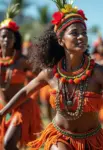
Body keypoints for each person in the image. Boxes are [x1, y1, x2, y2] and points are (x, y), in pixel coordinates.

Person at [0, 1, 103, 150]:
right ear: (61, 40)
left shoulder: (98, 73)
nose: (81, 37)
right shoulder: (50, 73)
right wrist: (3, 112)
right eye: (74, 33)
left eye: (84, 33)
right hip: (60, 136)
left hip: (92, 140)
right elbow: (25, 92)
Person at [0, 4, 42, 150]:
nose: (6, 40)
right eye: (3, 36)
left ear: (15, 40)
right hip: (2, 107)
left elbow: (43, 75)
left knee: (8, 144)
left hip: (22, 106)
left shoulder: (21, 60)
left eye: (10, 37)